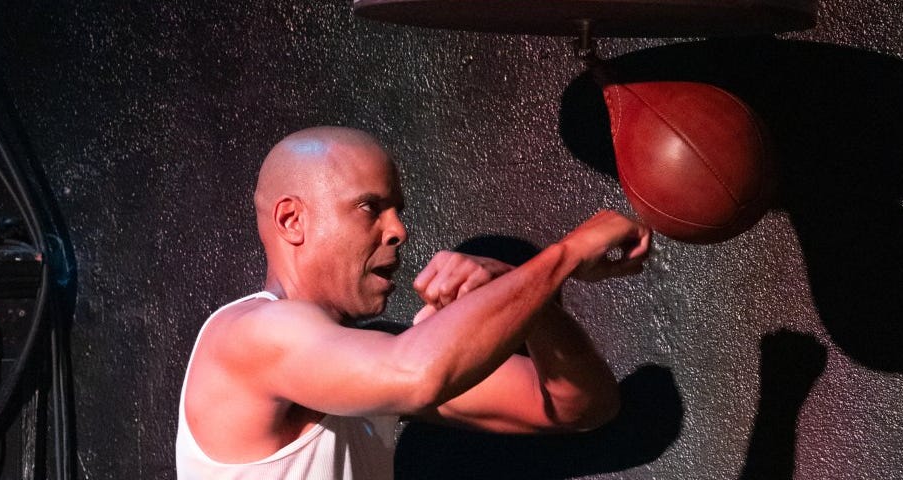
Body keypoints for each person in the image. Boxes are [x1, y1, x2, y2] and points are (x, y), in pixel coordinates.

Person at [175, 126, 652, 479]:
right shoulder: (250, 333)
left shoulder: (367, 361)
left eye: (398, 210)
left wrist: (528, 295)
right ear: (292, 220)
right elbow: (417, 374)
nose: (398, 230)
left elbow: (581, 407)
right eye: (370, 208)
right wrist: (563, 257)